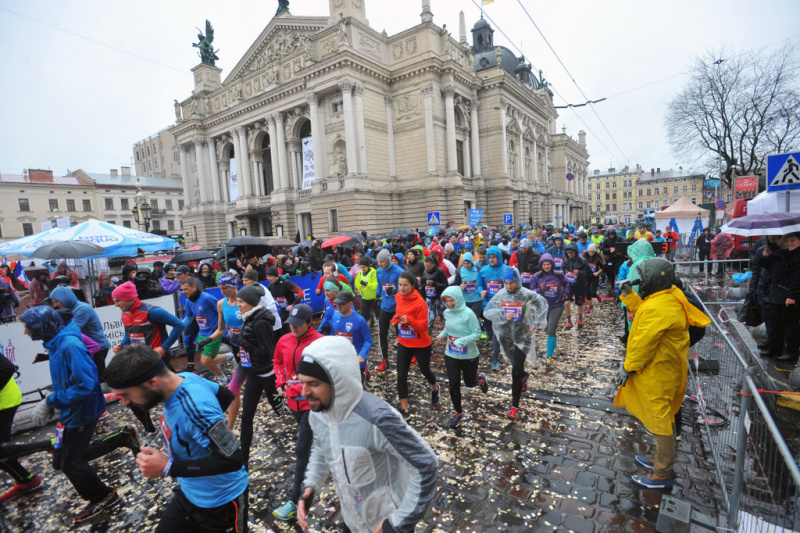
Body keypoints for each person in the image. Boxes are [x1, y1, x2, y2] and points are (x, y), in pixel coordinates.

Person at [296, 336, 438, 533]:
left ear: (338, 380)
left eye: (313, 383)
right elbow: (322, 449)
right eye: (302, 382)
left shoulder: (377, 418)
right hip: (352, 523)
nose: (304, 392)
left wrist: (398, 522)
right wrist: (311, 484)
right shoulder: (318, 412)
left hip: (386, 526)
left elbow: (425, 464)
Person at [105, 344, 249, 532]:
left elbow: (233, 460)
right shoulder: (185, 378)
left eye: (126, 395)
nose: (124, 403)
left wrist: (167, 467)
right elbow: (225, 395)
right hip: (188, 493)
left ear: (151, 382)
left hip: (221, 502)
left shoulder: (196, 409)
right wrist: (197, 438)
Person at [21, 306, 140, 523]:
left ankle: (103, 496)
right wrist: (50, 399)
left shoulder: (69, 345)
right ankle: (122, 436)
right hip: (67, 413)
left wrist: (50, 401)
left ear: (41, 326)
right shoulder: (55, 343)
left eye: (27, 327)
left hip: (81, 413)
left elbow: (86, 384)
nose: (25, 332)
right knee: (60, 459)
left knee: (70, 462)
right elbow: (66, 378)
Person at [615, 258, 710, 490]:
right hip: (665, 370)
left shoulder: (660, 307)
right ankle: (660, 459)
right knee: (664, 416)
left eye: (644, 277)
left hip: (658, 372)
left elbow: (643, 343)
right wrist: (629, 295)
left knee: (660, 421)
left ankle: (661, 474)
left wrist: (627, 367)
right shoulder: (667, 295)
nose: (642, 281)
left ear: (655, 279)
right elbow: (644, 310)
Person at [272, 304, 324, 521]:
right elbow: (277, 362)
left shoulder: (320, 342)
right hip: (293, 402)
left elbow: (320, 377)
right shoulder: (284, 340)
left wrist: (292, 388)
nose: (292, 327)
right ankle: (321, 457)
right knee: (310, 444)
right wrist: (280, 382)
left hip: (313, 404)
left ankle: (295, 500)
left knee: (301, 449)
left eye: (297, 324)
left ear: (309, 322)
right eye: (290, 324)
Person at [483, 268, 547, 420]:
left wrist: (538, 323)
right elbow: (488, 312)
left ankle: (514, 406)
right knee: (516, 367)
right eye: (506, 283)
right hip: (506, 336)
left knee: (515, 372)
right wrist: (503, 315)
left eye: (511, 283)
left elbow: (542, 304)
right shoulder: (501, 294)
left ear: (517, 281)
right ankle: (524, 376)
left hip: (523, 336)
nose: (509, 286)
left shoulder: (526, 294)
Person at [201, 275, 250, 429]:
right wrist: (208, 340)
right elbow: (221, 329)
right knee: (234, 390)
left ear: (234, 286)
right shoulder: (221, 304)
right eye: (220, 289)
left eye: (225, 288)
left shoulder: (245, 302)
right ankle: (229, 428)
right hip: (237, 350)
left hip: (251, 349)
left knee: (262, 383)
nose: (222, 292)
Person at [435, 286, 488, 427]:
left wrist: (461, 341)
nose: (450, 304)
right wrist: (443, 334)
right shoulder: (447, 312)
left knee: (469, 382)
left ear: (458, 298)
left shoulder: (468, 313)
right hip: (451, 353)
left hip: (469, 354)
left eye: (452, 300)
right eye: (447, 301)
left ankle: (480, 380)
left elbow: (477, 333)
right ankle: (458, 412)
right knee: (453, 384)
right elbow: (449, 326)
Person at [0, 349, 48, 502]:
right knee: (2, 450)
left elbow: (7, 367)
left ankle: (48, 444)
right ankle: (25, 480)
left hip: (4, 402)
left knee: (1, 449)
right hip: (5, 401)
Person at [393, 272, 440, 418]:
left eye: (405, 285)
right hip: (403, 341)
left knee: (425, 370)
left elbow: (424, 326)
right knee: (401, 376)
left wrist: (410, 321)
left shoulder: (420, 302)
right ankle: (405, 410)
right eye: (400, 284)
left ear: (412, 286)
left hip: (420, 343)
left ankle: (435, 387)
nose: (401, 288)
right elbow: (399, 313)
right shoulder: (398, 297)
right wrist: (395, 320)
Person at [51, 286, 113, 378]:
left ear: (65, 298)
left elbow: (72, 329)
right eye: (53, 302)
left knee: (96, 378)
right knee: (93, 377)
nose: (55, 305)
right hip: (90, 347)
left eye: (56, 301)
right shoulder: (71, 309)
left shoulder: (82, 308)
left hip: (98, 347)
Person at [759, 233, 800, 363]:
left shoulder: (796, 257)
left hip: (789, 296)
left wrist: (792, 296)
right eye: (787, 241)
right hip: (777, 294)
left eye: (792, 240)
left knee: (790, 326)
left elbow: (797, 279)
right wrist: (766, 254)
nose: (789, 243)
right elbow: (768, 266)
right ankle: (775, 348)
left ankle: (791, 352)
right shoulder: (784, 254)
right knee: (776, 324)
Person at [185, 277, 232, 383]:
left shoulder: (207, 298)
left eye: (186, 289)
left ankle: (229, 356)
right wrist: (178, 326)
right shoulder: (189, 302)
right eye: (182, 290)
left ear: (194, 287)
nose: (184, 292)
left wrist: (222, 327)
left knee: (205, 361)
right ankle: (222, 378)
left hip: (213, 331)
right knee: (208, 360)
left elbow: (221, 311)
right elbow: (189, 318)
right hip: (202, 332)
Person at [530, 254, 568, 367]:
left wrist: (565, 293)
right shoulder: (536, 276)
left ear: (552, 264)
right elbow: (532, 291)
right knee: (546, 327)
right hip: (543, 306)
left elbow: (567, 283)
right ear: (541, 265)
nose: (546, 266)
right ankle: (547, 330)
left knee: (552, 330)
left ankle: (549, 356)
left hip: (556, 305)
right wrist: (541, 289)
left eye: (548, 264)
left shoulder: (559, 274)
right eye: (544, 264)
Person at [375, 248, 405, 373]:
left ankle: (404, 359)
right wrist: (377, 296)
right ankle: (384, 360)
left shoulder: (399, 271)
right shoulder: (378, 271)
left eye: (382, 262)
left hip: (397, 307)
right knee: (382, 333)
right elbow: (379, 284)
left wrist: (397, 291)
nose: (380, 264)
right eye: (378, 262)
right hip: (384, 306)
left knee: (401, 334)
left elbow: (406, 288)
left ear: (388, 261)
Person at [477, 246, 507, 370]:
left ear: (499, 257)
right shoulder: (483, 271)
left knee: (496, 333)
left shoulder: (506, 270)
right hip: (487, 305)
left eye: (494, 257)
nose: (491, 260)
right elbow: (479, 284)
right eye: (489, 257)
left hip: (501, 307)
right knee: (490, 331)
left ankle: (495, 359)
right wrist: (481, 291)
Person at [562, 243, 592, 330]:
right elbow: (563, 270)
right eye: (568, 253)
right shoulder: (565, 259)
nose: (570, 254)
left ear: (576, 252)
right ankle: (569, 321)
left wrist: (579, 272)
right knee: (566, 302)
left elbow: (589, 273)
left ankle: (580, 319)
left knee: (579, 303)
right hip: (569, 285)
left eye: (572, 253)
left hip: (580, 285)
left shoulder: (582, 260)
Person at [421, 255, 449, 330]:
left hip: (439, 296)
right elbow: (424, 283)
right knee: (430, 315)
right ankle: (429, 330)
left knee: (442, 314)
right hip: (429, 296)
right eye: (425, 266)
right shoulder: (425, 272)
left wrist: (434, 283)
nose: (427, 268)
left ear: (433, 264)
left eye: (429, 266)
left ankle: (448, 328)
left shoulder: (440, 271)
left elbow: (445, 285)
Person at [354, 257, 378, 328]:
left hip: (373, 297)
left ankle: (375, 322)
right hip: (365, 297)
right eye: (361, 267)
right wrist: (358, 288)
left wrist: (366, 284)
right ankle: (365, 327)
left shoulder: (373, 273)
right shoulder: (361, 273)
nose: (362, 269)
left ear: (368, 266)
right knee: (364, 314)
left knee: (376, 313)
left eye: (364, 267)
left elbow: (375, 285)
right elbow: (357, 281)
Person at [583, 243, 606, 312]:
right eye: (590, 252)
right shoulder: (585, 258)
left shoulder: (597, 258)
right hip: (587, 276)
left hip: (595, 277)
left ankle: (596, 294)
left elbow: (602, 268)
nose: (591, 253)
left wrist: (597, 272)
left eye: (592, 252)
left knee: (593, 293)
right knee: (588, 292)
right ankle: (591, 306)